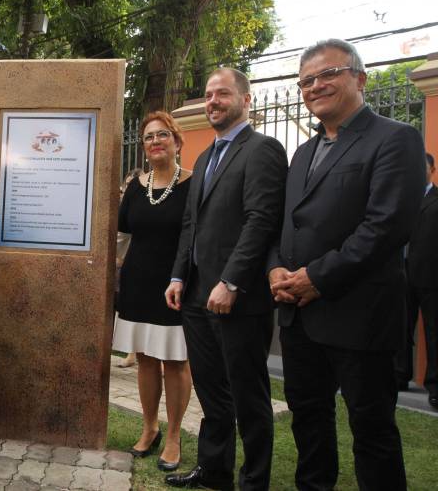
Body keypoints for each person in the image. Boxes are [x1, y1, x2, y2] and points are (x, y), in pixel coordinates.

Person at [268, 39, 425, 491]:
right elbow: (286, 226)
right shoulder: (301, 154)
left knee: (372, 433)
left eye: (327, 74)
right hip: (299, 318)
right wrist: (275, 269)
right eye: (306, 81)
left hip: (361, 317)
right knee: (309, 426)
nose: (315, 86)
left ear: (359, 78)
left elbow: (386, 227)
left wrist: (317, 278)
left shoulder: (396, 139)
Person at [165, 68, 287, 490]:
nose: (213, 101)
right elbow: (191, 225)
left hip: (239, 299)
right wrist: (179, 274)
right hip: (197, 294)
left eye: (223, 94)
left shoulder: (264, 149)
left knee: (249, 398)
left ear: (246, 100)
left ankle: (253, 481)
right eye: (208, 94)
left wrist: (231, 281)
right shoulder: (203, 157)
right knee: (212, 392)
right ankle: (214, 472)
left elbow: (261, 221)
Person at [113, 114, 192, 471]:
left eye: (163, 135)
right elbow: (122, 229)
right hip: (137, 282)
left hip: (176, 285)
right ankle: (150, 428)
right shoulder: (135, 186)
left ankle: (174, 435)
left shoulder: (194, 183)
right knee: (145, 358)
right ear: (143, 147)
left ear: (177, 141)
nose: (155, 141)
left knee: (175, 362)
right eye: (148, 137)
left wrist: (183, 278)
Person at [396, 153, 438, 408]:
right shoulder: (399, 200)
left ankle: (434, 385)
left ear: (432, 171)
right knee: (400, 327)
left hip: (430, 276)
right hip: (399, 274)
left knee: (433, 331)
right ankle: (400, 375)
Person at [115, 168, 143, 369]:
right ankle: (131, 353)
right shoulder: (123, 203)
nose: (127, 188)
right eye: (126, 184)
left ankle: (137, 354)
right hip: (122, 265)